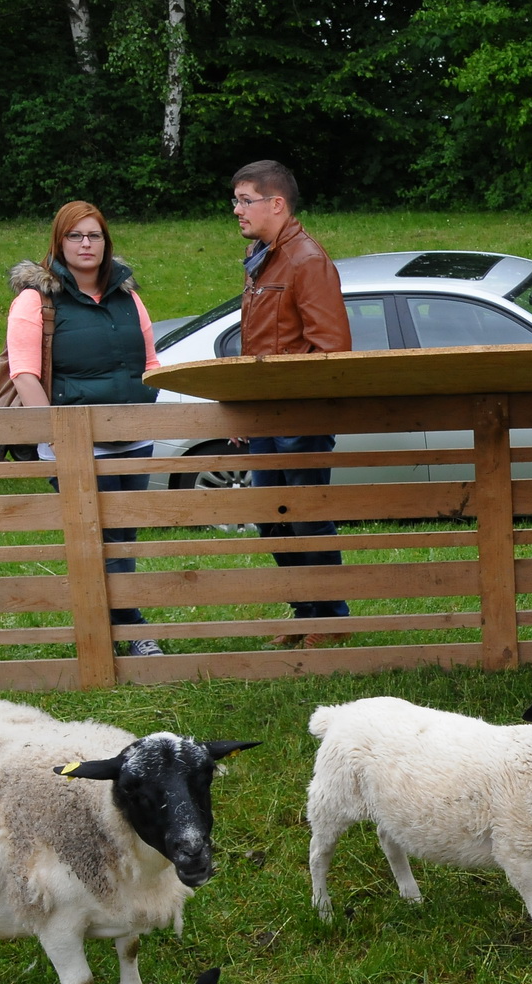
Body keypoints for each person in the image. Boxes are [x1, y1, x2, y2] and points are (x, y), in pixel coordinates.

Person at [5, 201, 164, 657]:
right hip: (75, 447)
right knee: (99, 538)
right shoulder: (35, 300)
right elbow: (24, 373)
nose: (86, 244)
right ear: (59, 242)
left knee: (123, 537)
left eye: (94, 236)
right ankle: (132, 631)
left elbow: (150, 363)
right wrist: (56, 435)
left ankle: (109, 630)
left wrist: (155, 411)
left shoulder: (128, 297)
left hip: (135, 440)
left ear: (106, 241)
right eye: (76, 236)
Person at [230, 159, 353, 648]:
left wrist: (297, 408)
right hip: (265, 415)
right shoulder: (263, 257)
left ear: (276, 204)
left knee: (305, 516)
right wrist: (246, 407)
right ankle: (304, 613)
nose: (236, 210)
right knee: (271, 517)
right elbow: (257, 342)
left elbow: (331, 347)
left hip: (300, 416)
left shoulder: (306, 260)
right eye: (236, 200)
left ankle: (330, 619)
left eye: (245, 200)